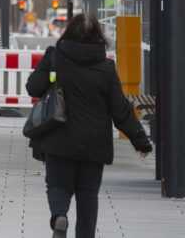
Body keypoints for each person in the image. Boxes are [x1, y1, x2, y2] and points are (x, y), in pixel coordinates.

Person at [26, 14, 152, 238]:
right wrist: (140, 141)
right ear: (98, 37)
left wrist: (49, 74)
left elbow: (34, 88)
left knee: (57, 185)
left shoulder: (55, 58)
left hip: (58, 138)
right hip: (94, 144)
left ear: (68, 32)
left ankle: (59, 216)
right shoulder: (106, 68)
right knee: (88, 195)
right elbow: (120, 109)